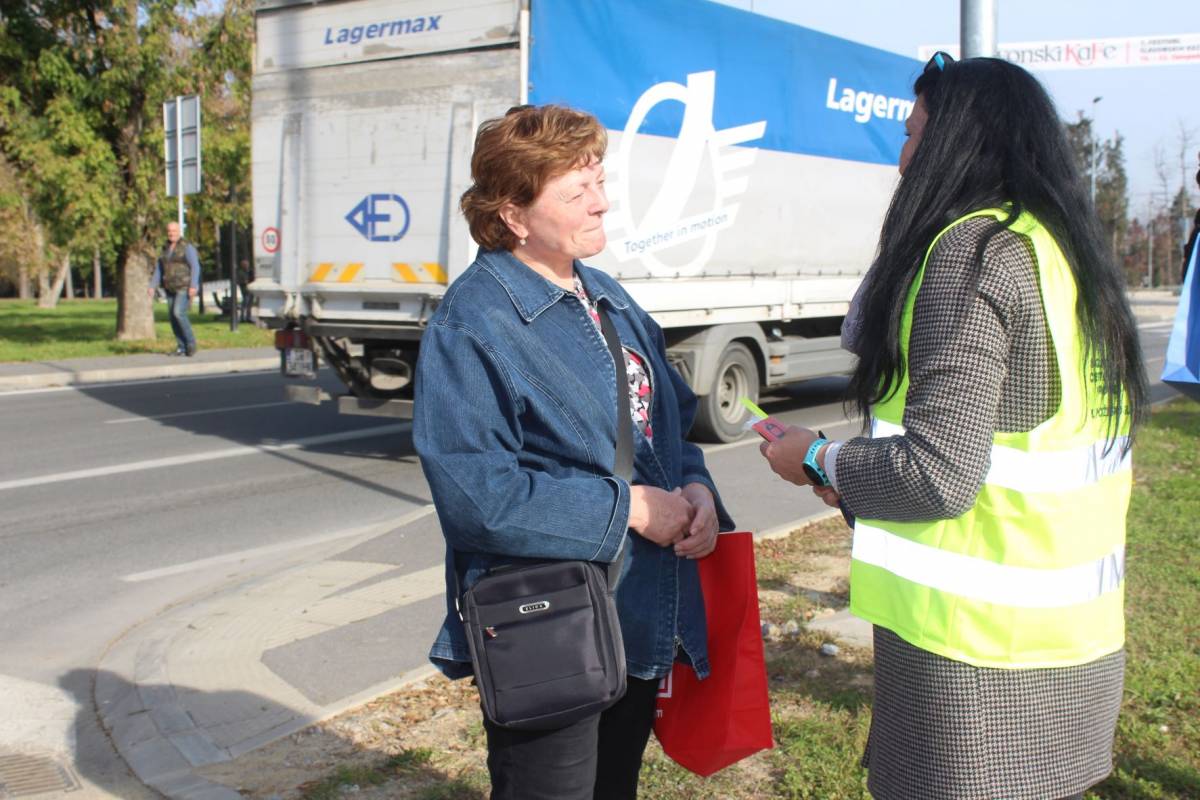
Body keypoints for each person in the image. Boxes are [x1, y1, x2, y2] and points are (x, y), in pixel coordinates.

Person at [759, 54, 1147, 800]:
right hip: (1074, 648)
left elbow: (940, 474)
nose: (902, 157)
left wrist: (820, 457)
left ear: (953, 145)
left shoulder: (970, 254)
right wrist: (854, 487)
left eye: (913, 135)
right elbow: (1011, 445)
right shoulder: (1059, 249)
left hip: (975, 664)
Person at [412, 104, 733, 800]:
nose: (602, 201)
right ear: (514, 215)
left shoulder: (605, 293)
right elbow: (478, 497)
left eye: (599, 179)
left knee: (614, 787)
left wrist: (697, 489)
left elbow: (670, 418)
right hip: (547, 625)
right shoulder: (473, 320)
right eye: (576, 190)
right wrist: (630, 512)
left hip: (638, 612)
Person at [148, 221, 200, 356]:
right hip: (169, 287)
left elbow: (195, 266)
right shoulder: (165, 248)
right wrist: (152, 285)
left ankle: (191, 343)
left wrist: (193, 286)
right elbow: (159, 269)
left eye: (174, 231)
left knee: (178, 313)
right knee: (172, 317)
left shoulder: (187, 247)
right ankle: (181, 347)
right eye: (169, 231)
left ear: (179, 231)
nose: (172, 233)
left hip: (184, 286)